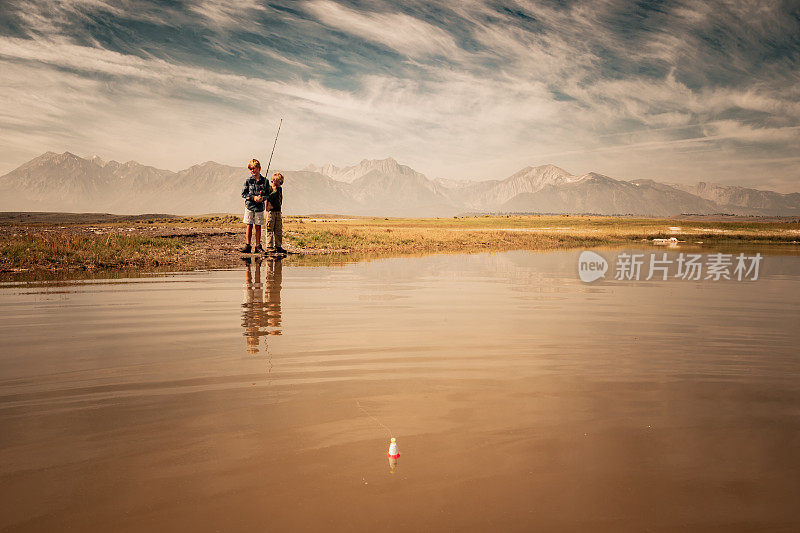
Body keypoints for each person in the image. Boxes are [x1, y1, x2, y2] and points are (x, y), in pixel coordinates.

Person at [240, 159, 267, 254]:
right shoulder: (248, 181)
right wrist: (253, 198)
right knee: (249, 225)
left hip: (259, 208)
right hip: (249, 207)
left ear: (259, 168)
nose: (252, 170)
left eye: (254, 168)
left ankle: (258, 246)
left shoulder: (265, 181)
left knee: (258, 226)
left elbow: (267, 194)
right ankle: (248, 245)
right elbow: (243, 194)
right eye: (250, 169)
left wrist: (262, 198)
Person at [265, 172, 286, 253]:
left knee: (278, 229)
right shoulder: (269, 189)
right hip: (270, 212)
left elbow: (281, 199)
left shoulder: (280, 189)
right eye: (275, 182)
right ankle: (269, 246)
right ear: (272, 181)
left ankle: (278, 246)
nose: (277, 184)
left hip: (278, 211)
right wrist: (273, 191)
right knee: (270, 228)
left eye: (279, 183)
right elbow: (269, 198)